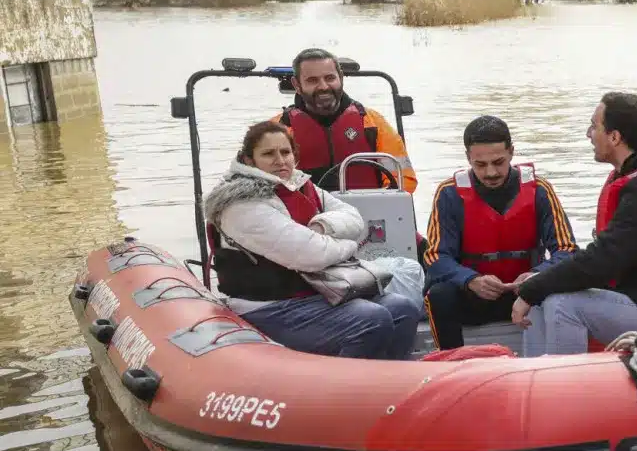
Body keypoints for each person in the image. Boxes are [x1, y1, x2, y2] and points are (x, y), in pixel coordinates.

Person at [511, 92, 637, 355]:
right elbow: (606, 256)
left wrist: (534, 288)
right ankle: (535, 379)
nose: (589, 134)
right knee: (542, 295)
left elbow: (604, 260)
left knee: (561, 304)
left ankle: (563, 390)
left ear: (615, 137)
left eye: (594, 126)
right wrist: (541, 281)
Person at [204, 120, 425, 359]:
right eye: (268, 154)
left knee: (402, 308)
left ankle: (390, 382)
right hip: (270, 306)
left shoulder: (300, 185)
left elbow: (354, 219)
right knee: (371, 319)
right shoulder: (241, 204)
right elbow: (312, 256)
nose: (280, 160)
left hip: (318, 292)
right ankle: (344, 390)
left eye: (285, 152)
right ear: (249, 160)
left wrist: (322, 225)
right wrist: (349, 245)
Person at [421, 116, 580, 349]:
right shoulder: (448, 194)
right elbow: (435, 256)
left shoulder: (540, 190)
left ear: (512, 153)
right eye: (480, 165)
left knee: (561, 288)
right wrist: (471, 280)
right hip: (474, 295)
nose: (491, 173)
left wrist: (536, 276)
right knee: (439, 295)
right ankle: (452, 359)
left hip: (527, 293)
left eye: (498, 162)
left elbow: (567, 250)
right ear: (468, 158)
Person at [275, 47, 418, 192]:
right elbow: (264, 184)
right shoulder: (276, 129)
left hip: (369, 212)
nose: (323, 86)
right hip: (302, 213)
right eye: (312, 81)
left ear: (341, 78)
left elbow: (404, 180)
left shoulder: (373, 123)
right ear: (297, 85)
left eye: (330, 78)